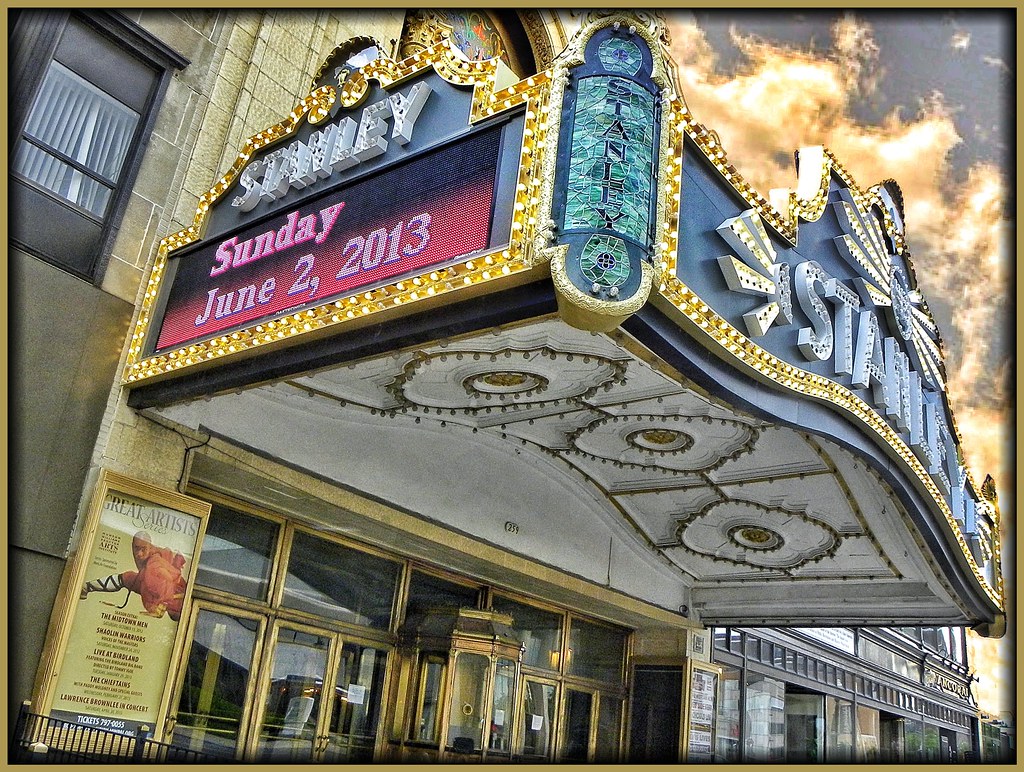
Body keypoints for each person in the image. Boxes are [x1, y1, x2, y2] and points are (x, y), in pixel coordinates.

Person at [80, 531, 188, 621]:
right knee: (127, 578)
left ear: (150, 547)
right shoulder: (152, 562)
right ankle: (86, 587)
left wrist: (159, 603)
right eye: (137, 548)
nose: (139, 554)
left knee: (127, 578)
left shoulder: (154, 565)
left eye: (143, 549)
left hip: (165, 591)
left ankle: (86, 587)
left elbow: (168, 578)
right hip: (157, 588)